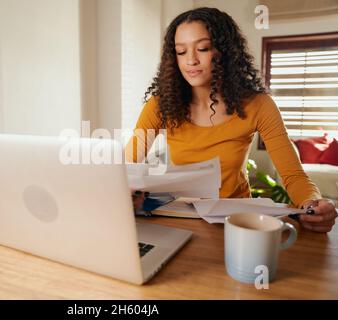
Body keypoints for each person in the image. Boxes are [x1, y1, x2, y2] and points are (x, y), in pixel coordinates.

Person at [125, 7, 337, 233]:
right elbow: (127, 165)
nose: (191, 61)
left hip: (236, 221)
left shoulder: (259, 105)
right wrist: (129, 191)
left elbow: (293, 175)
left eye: (203, 48)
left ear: (224, 51)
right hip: (181, 217)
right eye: (181, 51)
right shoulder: (160, 105)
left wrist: (313, 205)